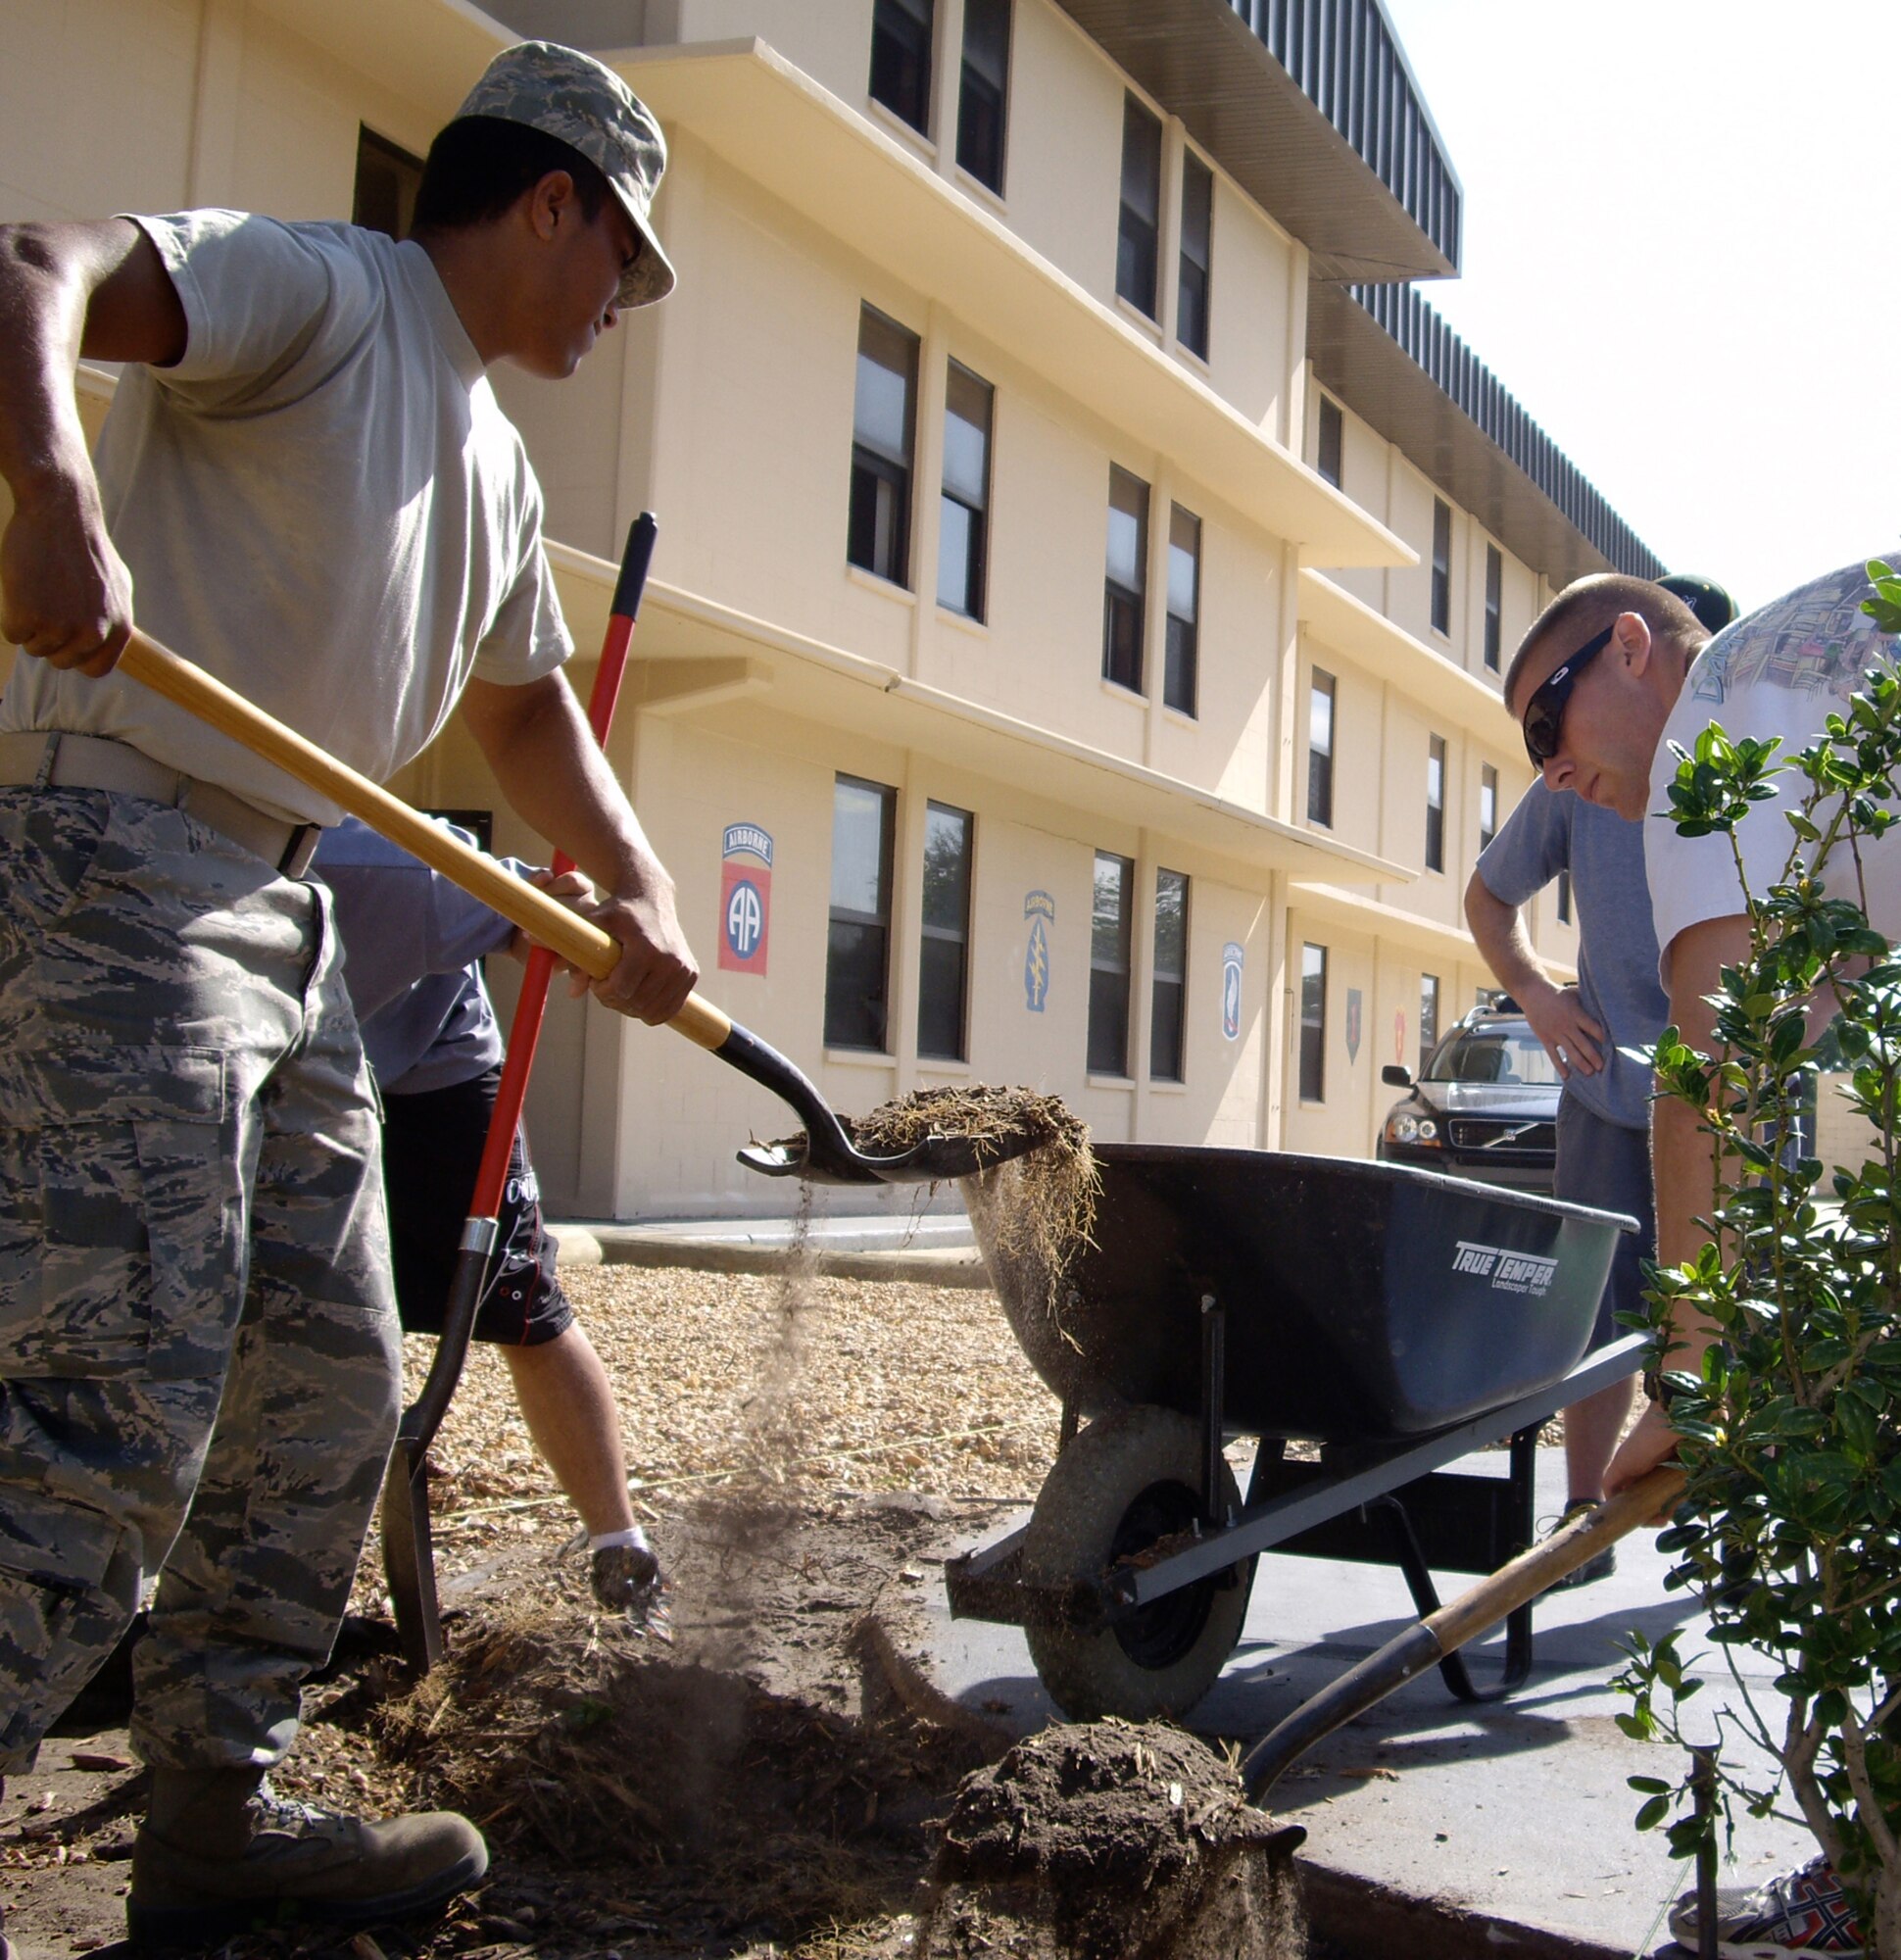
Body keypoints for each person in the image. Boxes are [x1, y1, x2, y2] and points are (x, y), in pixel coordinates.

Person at [0, 40, 695, 1950]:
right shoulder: (324, 291)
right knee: (107, 1412)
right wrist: (53, 475)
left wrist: (629, 884)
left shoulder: (487, 449)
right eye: (619, 263)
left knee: (321, 1394)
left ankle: (212, 1808)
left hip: (283, 912)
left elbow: (527, 701)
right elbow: (35, 259)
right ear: (551, 197)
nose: (617, 309)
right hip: (116, 870)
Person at [1506, 556, 1900, 1958]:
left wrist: (1693, 1368)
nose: (1548, 774)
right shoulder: (1809, 711)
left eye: (1545, 729)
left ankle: (1874, 1884)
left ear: (1629, 651)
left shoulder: (1710, 742)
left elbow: (1708, 1079)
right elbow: (1798, 1041)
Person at [315, 818, 662, 1618]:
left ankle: (621, 1549)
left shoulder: (388, 870)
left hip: (432, 1066)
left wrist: (602, 926)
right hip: (288, 1068)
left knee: (520, 1305)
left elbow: (546, 913)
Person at [1465, 776, 1664, 1584]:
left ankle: (1743, 1531)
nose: (1559, 753)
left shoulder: (1749, 749)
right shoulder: (1575, 776)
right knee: (1593, 1317)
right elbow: (1487, 897)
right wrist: (1537, 998)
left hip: (1737, 1106)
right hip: (1605, 1093)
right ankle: (1584, 1520)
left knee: (1743, 1321)